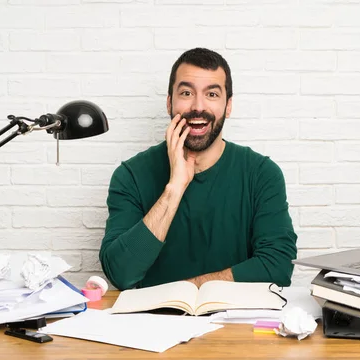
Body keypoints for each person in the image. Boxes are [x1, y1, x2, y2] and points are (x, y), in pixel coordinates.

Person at [99, 47, 297, 290]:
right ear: (170, 102)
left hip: (236, 323)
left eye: (212, 94)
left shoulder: (262, 174)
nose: (198, 106)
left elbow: (278, 266)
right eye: (186, 93)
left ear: (228, 106)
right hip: (154, 323)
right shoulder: (130, 175)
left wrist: (190, 288)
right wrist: (175, 188)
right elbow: (120, 273)